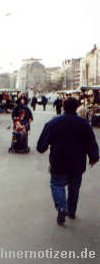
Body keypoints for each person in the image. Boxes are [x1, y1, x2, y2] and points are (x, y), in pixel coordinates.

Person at [37, 97, 99, 226]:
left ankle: (61, 208)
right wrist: (93, 157)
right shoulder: (84, 123)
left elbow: (41, 145)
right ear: (77, 107)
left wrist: (42, 147)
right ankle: (71, 211)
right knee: (74, 188)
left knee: (57, 185)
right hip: (77, 163)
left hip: (58, 161)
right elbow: (91, 142)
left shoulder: (54, 122)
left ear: (63, 107)